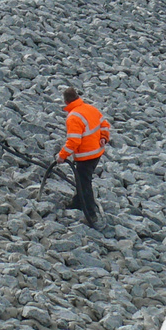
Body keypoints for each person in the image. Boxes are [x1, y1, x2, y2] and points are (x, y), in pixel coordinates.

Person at [59, 88, 111, 227]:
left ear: (66, 101)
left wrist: (62, 156)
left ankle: (90, 214)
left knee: (84, 183)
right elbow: (104, 124)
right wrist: (104, 138)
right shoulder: (90, 108)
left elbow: (74, 141)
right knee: (81, 180)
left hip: (86, 157)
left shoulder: (74, 117)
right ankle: (78, 203)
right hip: (97, 153)